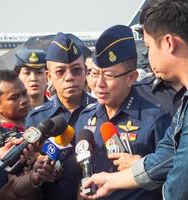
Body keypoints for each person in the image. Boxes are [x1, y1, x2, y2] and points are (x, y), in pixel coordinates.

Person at [81, 1, 188, 200]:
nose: (147, 55)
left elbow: (180, 191)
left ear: (169, 43)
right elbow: (168, 153)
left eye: (148, 46)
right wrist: (112, 180)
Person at [75, 25, 170, 200]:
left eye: (109, 76)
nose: (98, 83)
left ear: (131, 77)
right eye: (93, 73)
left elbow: (173, 177)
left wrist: (141, 166)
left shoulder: (155, 119)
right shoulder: (85, 118)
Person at [25, 32, 96, 200]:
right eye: (61, 72)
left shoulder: (102, 111)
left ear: (86, 71)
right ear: (49, 77)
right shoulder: (36, 118)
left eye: (76, 70)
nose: (70, 77)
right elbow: (26, 172)